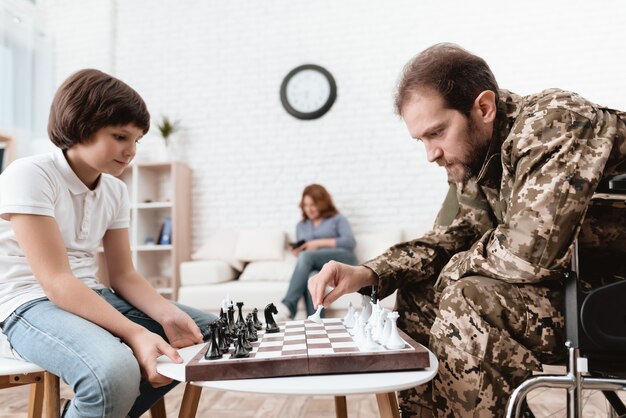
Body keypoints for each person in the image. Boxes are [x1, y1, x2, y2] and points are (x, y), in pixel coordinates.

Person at [308, 43, 626, 417]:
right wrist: (370, 272)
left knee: (470, 299)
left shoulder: (553, 122)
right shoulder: (475, 160)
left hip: (609, 293)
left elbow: (528, 256)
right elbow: (452, 239)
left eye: (437, 133)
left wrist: (455, 271)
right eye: (421, 141)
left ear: (484, 108)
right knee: (416, 296)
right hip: (578, 288)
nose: (431, 154)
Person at [0, 69, 216, 417]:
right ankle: (100, 402)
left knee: (205, 335)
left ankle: (94, 409)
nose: (131, 151)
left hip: (91, 294)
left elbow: (124, 275)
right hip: (26, 303)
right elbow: (56, 280)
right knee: (113, 373)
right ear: (79, 125)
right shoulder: (29, 174)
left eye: (136, 140)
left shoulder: (116, 190)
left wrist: (167, 313)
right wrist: (135, 334)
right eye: (120, 136)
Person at [277, 184, 357, 320]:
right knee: (313, 278)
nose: (309, 209)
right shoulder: (301, 225)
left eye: (313, 204)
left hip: (342, 259)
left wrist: (316, 244)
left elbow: (349, 242)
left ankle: (288, 306)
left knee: (306, 256)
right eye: (306, 205)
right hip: (316, 265)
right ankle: (316, 322)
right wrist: (299, 252)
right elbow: (305, 251)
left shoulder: (337, 219)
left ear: (322, 203)